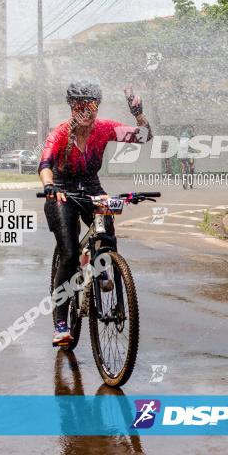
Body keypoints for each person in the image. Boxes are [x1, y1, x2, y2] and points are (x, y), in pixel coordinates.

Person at [39, 81, 151, 347]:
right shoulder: (59, 133)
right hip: (62, 192)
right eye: (80, 106)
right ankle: (61, 324)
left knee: (108, 235)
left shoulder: (104, 129)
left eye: (91, 106)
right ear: (71, 107)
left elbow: (144, 137)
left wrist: (138, 113)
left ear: (97, 106)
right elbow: (44, 165)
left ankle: (103, 265)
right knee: (68, 253)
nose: (86, 111)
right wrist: (49, 186)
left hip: (91, 188)